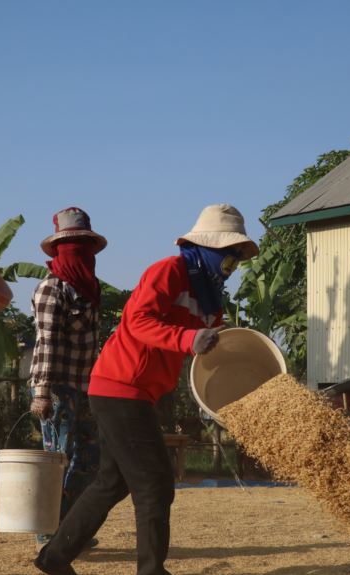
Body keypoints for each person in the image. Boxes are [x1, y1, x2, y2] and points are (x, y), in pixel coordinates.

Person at [34, 204, 259, 575]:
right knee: (155, 484)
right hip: (120, 385)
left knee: (112, 482)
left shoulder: (211, 299)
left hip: (141, 392)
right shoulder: (168, 271)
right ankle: (151, 570)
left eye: (236, 261)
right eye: (228, 258)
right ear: (207, 249)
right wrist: (188, 338)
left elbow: (208, 350)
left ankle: (53, 558)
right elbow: (137, 320)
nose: (231, 267)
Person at [29, 207, 107, 550]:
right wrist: (42, 393)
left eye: (85, 246)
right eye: (72, 246)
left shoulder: (90, 290)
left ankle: (71, 529)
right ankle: (49, 534)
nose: (81, 253)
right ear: (60, 250)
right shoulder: (51, 289)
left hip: (86, 387)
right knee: (56, 459)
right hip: (57, 388)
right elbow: (46, 342)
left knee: (88, 459)